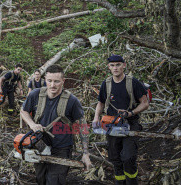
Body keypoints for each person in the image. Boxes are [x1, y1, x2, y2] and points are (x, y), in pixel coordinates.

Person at [21, 64, 92, 184]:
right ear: (45, 80)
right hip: (40, 145)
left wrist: (85, 154)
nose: (52, 85)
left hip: (62, 148)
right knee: (41, 179)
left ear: (63, 81)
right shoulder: (35, 94)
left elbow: (82, 127)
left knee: (54, 181)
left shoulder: (72, 101)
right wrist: (32, 124)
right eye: (49, 81)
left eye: (56, 81)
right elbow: (24, 111)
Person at [92, 55, 149, 185]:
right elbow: (100, 103)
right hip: (112, 125)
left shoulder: (133, 82)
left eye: (118, 65)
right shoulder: (106, 84)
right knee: (115, 159)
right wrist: (96, 118)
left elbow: (145, 103)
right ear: (109, 67)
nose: (115, 68)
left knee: (128, 158)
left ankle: (132, 182)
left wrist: (130, 113)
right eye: (112, 65)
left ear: (124, 65)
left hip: (130, 124)